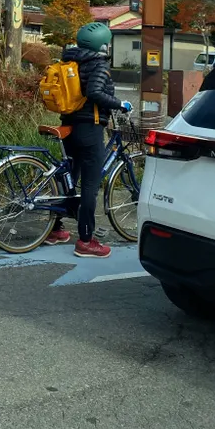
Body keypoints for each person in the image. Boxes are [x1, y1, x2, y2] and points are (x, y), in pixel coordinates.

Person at [44, 22, 131, 258]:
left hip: (68, 125)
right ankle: (85, 241)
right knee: (90, 185)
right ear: (102, 45)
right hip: (89, 129)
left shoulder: (69, 60)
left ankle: (54, 230)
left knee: (69, 180)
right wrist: (120, 104)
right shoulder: (98, 64)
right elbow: (95, 93)